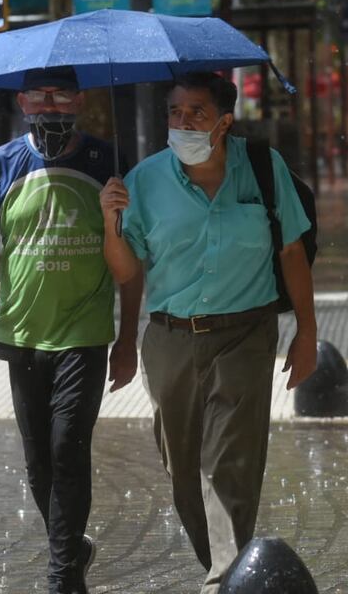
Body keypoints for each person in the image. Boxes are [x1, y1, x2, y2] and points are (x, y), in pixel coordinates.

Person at [98, 72, 317, 594]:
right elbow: (127, 270)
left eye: (197, 112)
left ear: (224, 121)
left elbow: (291, 251)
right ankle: (229, 567)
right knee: (184, 471)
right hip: (170, 340)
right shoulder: (145, 181)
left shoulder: (262, 168)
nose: (183, 122)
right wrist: (110, 224)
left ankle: (222, 581)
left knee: (227, 462)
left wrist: (306, 333)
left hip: (246, 333)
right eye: (175, 112)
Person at [0, 68, 142, 594]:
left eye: (61, 95)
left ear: (80, 101)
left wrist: (127, 339)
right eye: (39, 97)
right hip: (21, 336)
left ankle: (62, 577)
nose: (50, 106)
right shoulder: (0, 165)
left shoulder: (109, 164)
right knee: (38, 464)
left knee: (68, 448)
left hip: (85, 335)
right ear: (21, 102)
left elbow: (131, 268)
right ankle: (72, 549)